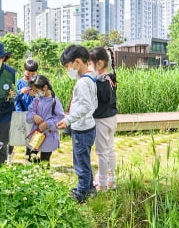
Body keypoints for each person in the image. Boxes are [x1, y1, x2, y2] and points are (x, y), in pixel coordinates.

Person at [57, 45, 98, 203]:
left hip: (82, 129)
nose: (68, 70)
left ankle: (81, 193)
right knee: (84, 160)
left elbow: (86, 106)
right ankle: (89, 188)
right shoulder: (90, 78)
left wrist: (68, 120)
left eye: (68, 66)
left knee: (80, 163)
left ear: (78, 62)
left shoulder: (82, 83)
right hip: (87, 126)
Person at [89, 47, 118, 191]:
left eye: (90, 64)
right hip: (112, 119)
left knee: (101, 153)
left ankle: (102, 184)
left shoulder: (99, 82)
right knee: (110, 150)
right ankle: (111, 180)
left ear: (99, 64)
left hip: (101, 120)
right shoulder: (110, 78)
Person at [26, 75, 65, 165]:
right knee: (30, 158)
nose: (35, 93)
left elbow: (60, 118)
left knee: (44, 161)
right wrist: (34, 116)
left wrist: (47, 124)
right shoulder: (37, 100)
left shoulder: (54, 101)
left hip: (48, 136)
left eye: (36, 90)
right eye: (33, 91)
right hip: (36, 135)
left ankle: (43, 175)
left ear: (45, 87)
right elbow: (29, 113)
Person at [8, 58, 39, 161]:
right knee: (14, 135)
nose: (29, 76)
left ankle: (30, 157)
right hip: (20, 113)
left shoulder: (38, 82)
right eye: (27, 74)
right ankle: (9, 156)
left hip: (35, 114)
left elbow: (44, 97)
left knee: (34, 137)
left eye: (32, 74)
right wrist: (20, 92)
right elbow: (13, 98)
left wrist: (35, 94)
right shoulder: (19, 82)